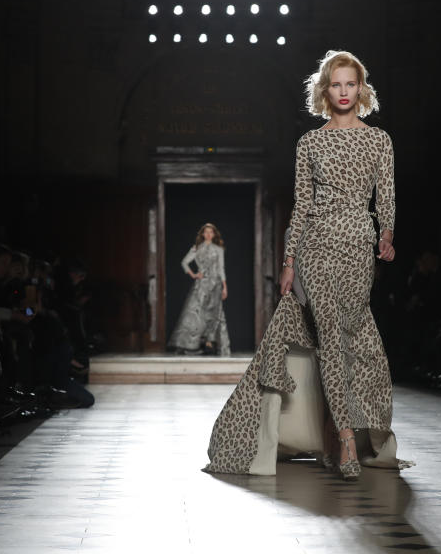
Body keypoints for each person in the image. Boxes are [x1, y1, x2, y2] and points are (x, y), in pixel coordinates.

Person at [204, 50, 410, 480]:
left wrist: (387, 234)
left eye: (350, 84)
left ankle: (348, 433)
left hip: (358, 244)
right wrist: (289, 261)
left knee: (357, 338)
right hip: (316, 246)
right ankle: (347, 438)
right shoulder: (310, 143)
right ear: (324, 89)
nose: (344, 92)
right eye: (336, 84)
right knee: (330, 337)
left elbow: (386, 196)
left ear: (361, 88)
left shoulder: (379, 140)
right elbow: (302, 206)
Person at [168, 223, 231, 357]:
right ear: (202, 234)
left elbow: (221, 268)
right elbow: (184, 262)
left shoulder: (218, 249)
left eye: (211, 232)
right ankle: (188, 345)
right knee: (195, 313)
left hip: (216, 285)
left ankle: (211, 343)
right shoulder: (197, 248)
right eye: (206, 232)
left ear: (214, 234)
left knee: (215, 314)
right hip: (201, 284)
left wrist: (225, 287)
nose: (208, 234)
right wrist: (194, 274)